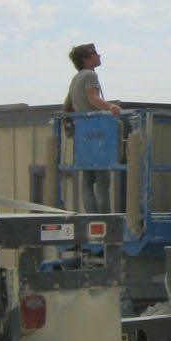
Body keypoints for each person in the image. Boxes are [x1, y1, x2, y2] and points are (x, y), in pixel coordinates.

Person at [64, 42, 121, 215]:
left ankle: (91, 217)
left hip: (82, 131)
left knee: (88, 178)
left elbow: (67, 106)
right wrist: (111, 107)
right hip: (97, 131)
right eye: (94, 53)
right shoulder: (90, 75)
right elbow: (93, 98)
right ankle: (104, 218)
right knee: (102, 180)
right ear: (86, 59)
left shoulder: (76, 78)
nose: (99, 55)